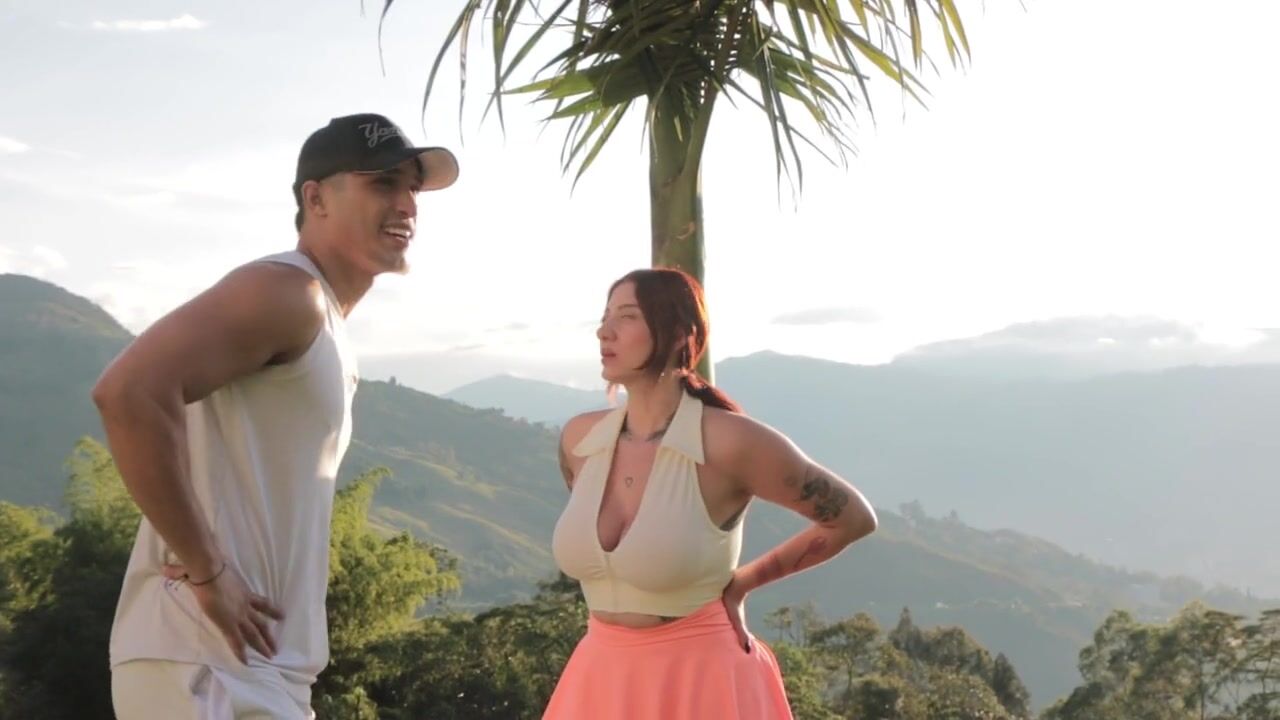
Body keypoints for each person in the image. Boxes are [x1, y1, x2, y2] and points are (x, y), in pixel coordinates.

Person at [92, 112, 458, 719]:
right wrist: (209, 573)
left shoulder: (323, 320)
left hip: (251, 667)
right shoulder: (287, 294)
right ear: (315, 198)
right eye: (382, 183)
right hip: (204, 662)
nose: (407, 205)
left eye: (413, 188)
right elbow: (128, 393)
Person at [546, 268, 879, 719]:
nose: (604, 331)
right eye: (605, 317)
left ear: (677, 332)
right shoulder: (580, 440)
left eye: (627, 316)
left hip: (702, 680)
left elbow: (852, 518)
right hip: (599, 680)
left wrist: (742, 584)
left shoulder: (731, 441)